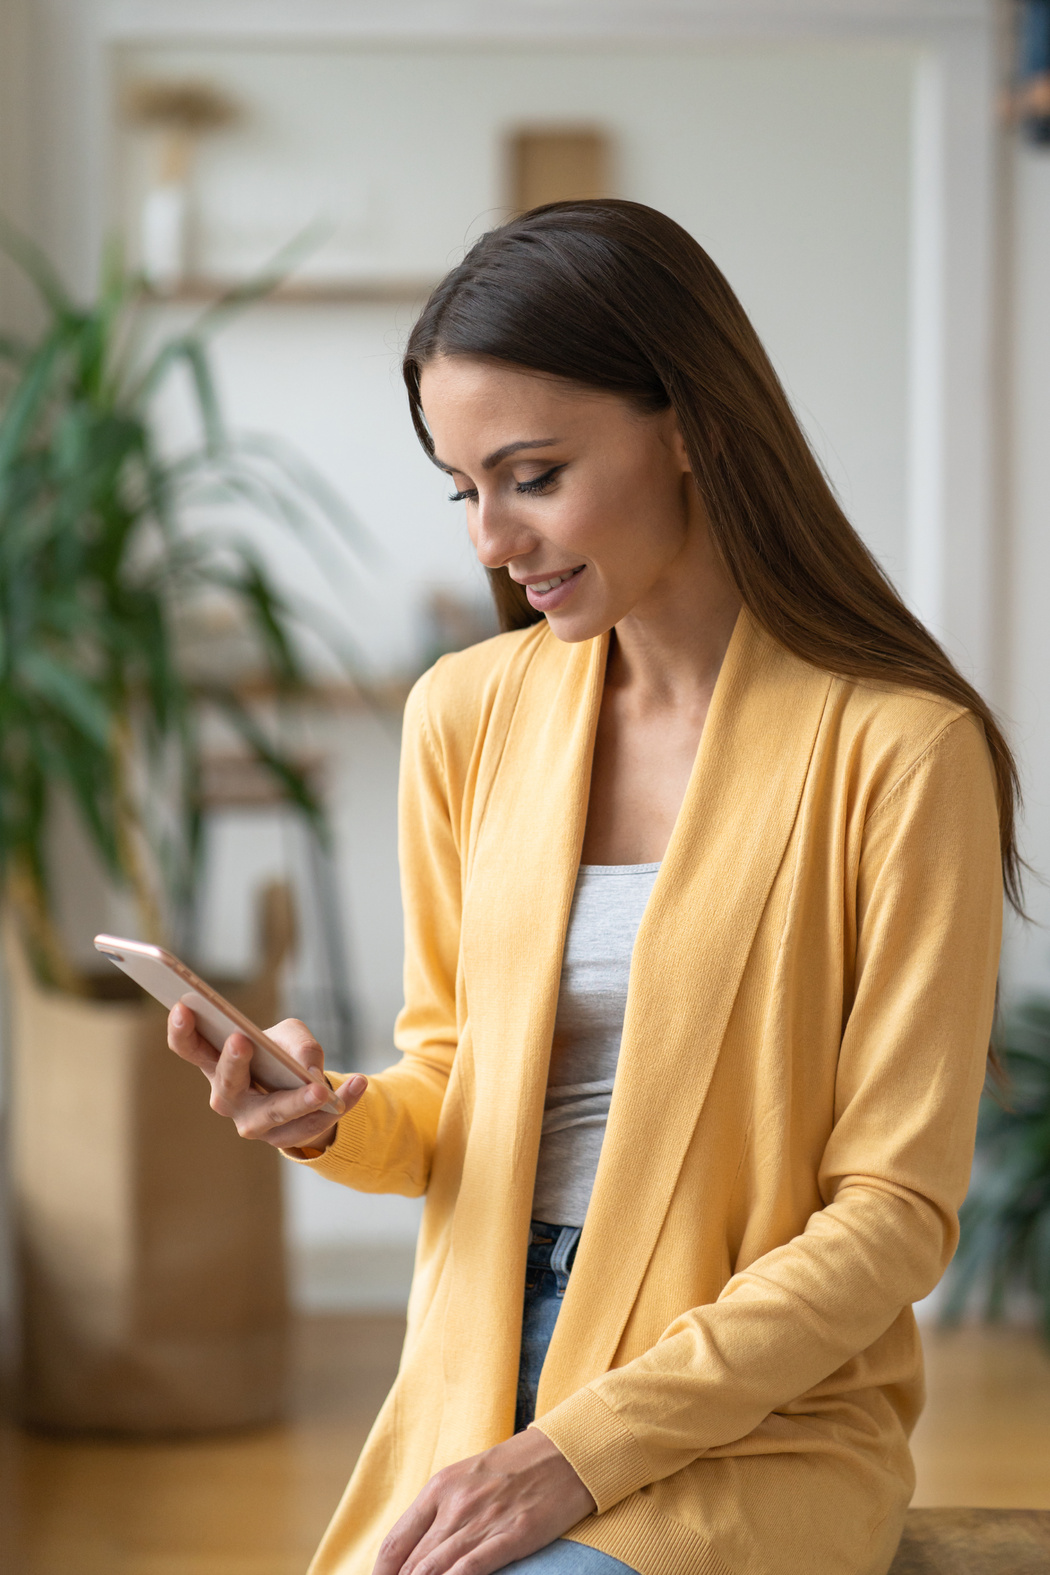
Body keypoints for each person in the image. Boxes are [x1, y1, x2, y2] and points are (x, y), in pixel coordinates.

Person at [168, 200, 1015, 1575]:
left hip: (753, 1412)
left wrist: (579, 1452)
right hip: (471, 1384)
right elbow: (455, 1089)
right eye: (462, 489)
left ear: (690, 424)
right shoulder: (464, 716)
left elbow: (890, 1214)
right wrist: (329, 1119)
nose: (489, 541)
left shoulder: (900, 751)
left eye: (533, 475)